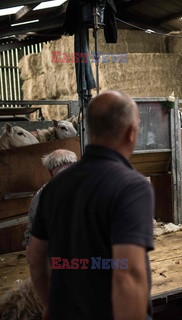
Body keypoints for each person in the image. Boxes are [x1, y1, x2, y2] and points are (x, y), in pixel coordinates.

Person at [27, 91, 154, 320]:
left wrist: (48, 304)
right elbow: (127, 275)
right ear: (131, 133)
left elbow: (35, 257)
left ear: (91, 132)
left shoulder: (53, 188)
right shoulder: (132, 186)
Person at [23, 149, 77, 248]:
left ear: (50, 172)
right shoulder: (94, 182)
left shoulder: (42, 194)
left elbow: (32, 232)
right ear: (75, 163)